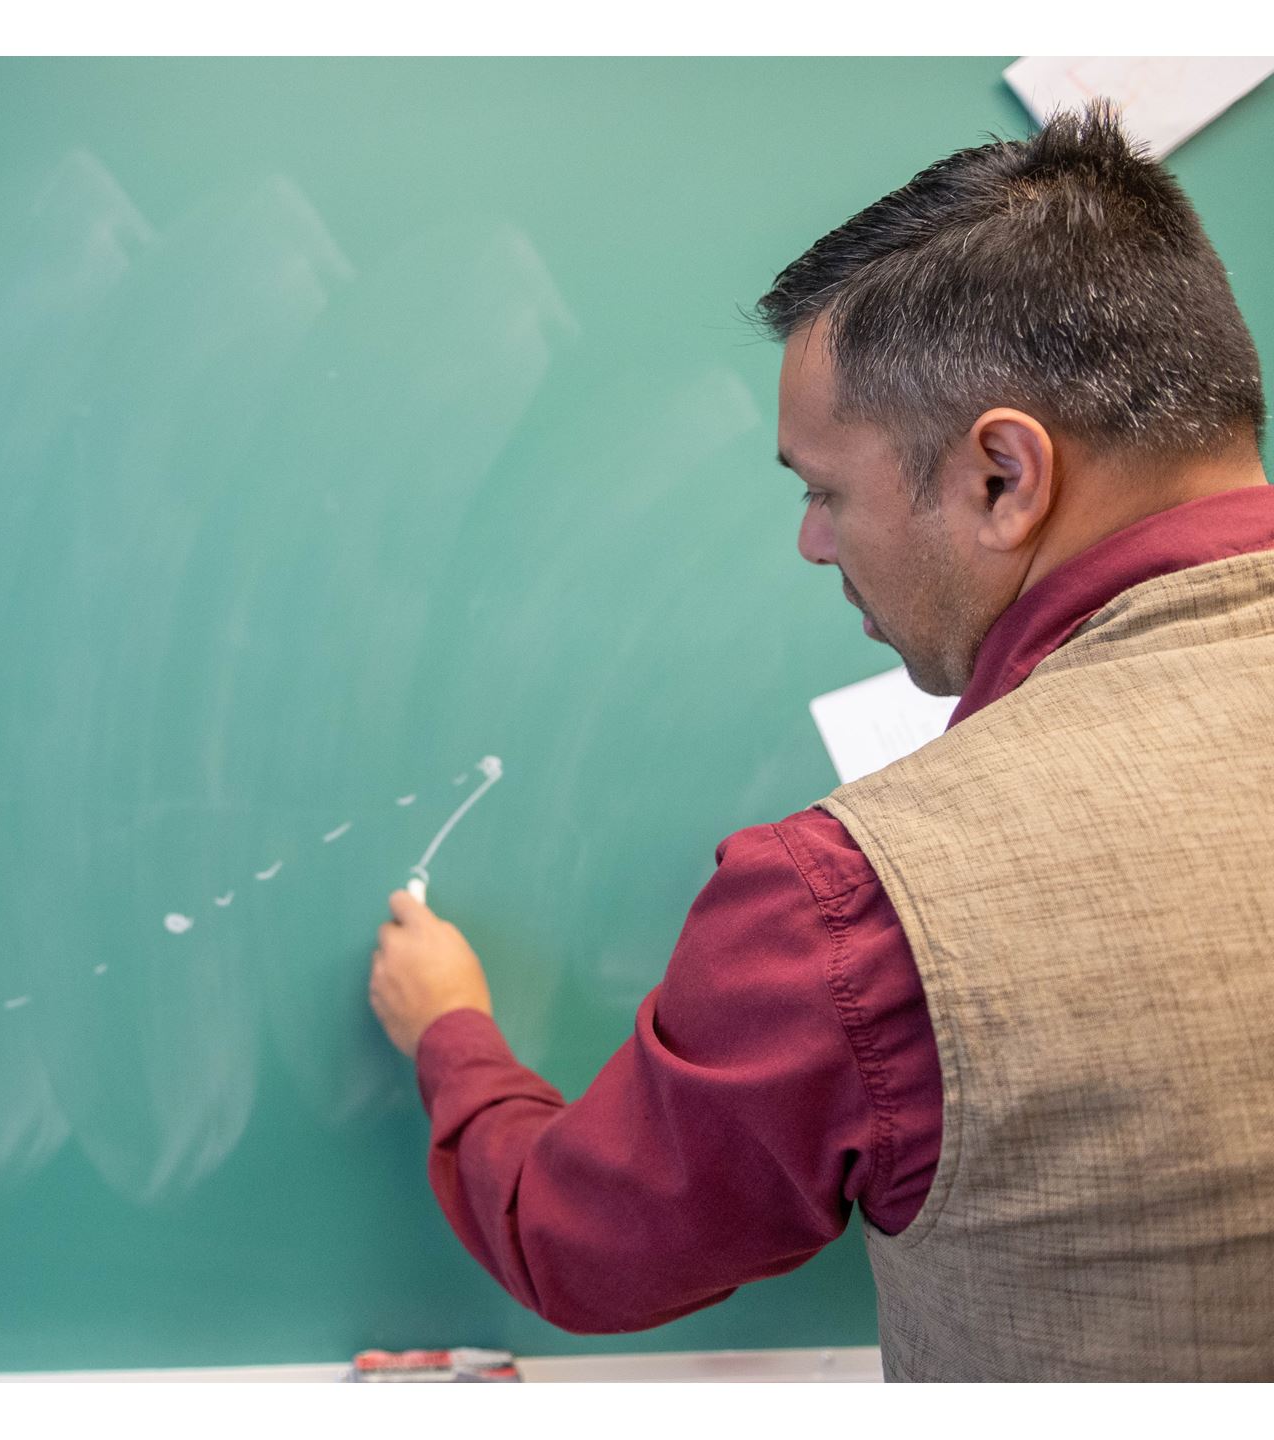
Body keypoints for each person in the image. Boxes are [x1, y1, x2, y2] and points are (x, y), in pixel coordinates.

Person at [366, 99, 1274, 1382]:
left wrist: (451, 1032)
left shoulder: (860, 907)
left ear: (1003, 477)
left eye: (823, 489)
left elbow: (575, 1240)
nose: (812, 542)